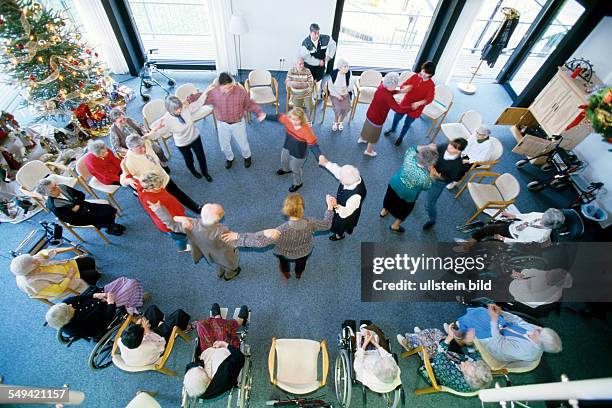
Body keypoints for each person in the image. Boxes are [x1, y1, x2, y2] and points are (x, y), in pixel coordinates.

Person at [222, 193, 334, 280]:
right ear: (302, 209)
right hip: (305, 251)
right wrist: (329, 207)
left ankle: (286, 272)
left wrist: (238, 236)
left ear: (286, 211)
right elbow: (327, 224)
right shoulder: (311, 223)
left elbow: (258, 242)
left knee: (284, 263)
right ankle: (298, 274)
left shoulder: (279, 231)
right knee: (301, 264)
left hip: (285, 253)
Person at [151, 202, 241, 280]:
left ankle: (220, 273)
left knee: (218, 262)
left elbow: (172, 225)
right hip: (223, 253)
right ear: (218, 219)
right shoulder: (222, 230)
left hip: (208, 252)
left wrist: (159, 210)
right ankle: (229, 275)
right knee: (231, 265)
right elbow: (232, 241)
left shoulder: (192, 226)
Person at [454, 304, 562, 363]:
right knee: (481, 310)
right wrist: (501, 313)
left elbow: (498, 343)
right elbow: (517, 320)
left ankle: (459, 332)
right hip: (502, 328)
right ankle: (461, 326)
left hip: (495, 344)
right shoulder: (536, 331)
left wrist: (494, 320)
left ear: (539, 343)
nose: (538, 328)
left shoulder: (527, 351)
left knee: (473, 322)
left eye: (539, 332)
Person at [120, 135, 200, 213]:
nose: (144, 149)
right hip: (155, 188)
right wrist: (128, 180)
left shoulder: (146, 143)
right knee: (168, 206)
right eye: (140, 148)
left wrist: (150, 133)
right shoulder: (129, 161)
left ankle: (197, 208)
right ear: (131, 149)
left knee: (179, 194)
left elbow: (151, 136)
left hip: (164, 177)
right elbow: (122, 181)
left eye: (143, 145)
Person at [396, 327, 492, 393]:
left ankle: (410, 343)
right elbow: (475, 355)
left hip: (437, 365)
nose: (464, 362)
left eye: (464, 366)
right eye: (469, 362)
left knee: (430, 344)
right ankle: (421, 336)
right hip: (451, 359)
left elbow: (439, 356)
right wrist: (470, 343)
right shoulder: (478, 370)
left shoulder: (453, 375)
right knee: (437, 333)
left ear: (466, 377)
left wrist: (449, 338)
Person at [183, 303, 248, 399]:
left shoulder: (194, 382)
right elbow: (240, 358)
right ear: (208, 381)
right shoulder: (224, 376)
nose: (200, 367)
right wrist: (224, 344)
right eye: (202, 369)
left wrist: (200, 364)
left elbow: (189, 366)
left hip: (208, 350)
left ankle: (217, 318)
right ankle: (238, 322)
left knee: (200, 325)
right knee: (221, 329)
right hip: (226, 350)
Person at [202, 72, 265, 169]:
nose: (230, 89)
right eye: (226, 88)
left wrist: (259, 112)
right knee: (224, 145)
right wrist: (188, 100)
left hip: (238, 123)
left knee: (243, 144)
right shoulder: (214, 92)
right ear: (220, 86)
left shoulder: (240, 91)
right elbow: (200, 98)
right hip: (222, 124)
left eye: (231, 86)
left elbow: (249, 104)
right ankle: (229, 158)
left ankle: (247, 157)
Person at [45, 277, 145, 337]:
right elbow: (106, 320)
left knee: (122, 280)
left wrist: (94, 295)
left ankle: (133, 297)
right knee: (133, 283)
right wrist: (111, 303)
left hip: (99, 297)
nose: (70, 305)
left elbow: (75, 298)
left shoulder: (64, 307)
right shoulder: (81, 326)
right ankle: (136, 300)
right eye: (69, 308)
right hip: (110, 308)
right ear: (69, 316)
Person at [151, 94, 212, 181]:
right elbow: (155, 134)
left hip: (194, 137)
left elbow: (198, 103)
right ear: (170, 110)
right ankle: (193, 171)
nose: (180, 110)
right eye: (176, 109)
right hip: (182, 143)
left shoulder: (184, 108)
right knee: (189, 159)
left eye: (180, 107)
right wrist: (153, 130)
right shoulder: (166, 120)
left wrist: (207, 91)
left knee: (201, 156)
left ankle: (205, 172)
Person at [380, 145, 438, 233]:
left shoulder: (409, 157)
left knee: (389, 198)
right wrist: (432, 175)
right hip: (408, 195)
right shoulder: (425, 176)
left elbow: (413, 148)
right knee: (405, 210)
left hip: (394, 184)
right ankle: (395, 226)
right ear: (429, 163)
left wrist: (427, 146)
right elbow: (427, 187)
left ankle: (384, 211)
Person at [36, 179, 125, 236]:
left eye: (55, 185)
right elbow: (68, 219)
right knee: (101, 217)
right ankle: (110, 227)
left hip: (84, 205)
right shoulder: (54, 205)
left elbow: (80, 194)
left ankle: (110, 225)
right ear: (47, 194)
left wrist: (77, 205)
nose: (57, 188)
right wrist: (74, 209)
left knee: (108, 209)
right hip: (78, 217)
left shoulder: (62, 187)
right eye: (53, 189)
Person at [10, 247, 100, 301]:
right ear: (30, 268)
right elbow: (57, 290)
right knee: (93, 275)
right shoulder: (32, 283)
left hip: (65, 268)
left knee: (89, 261)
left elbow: (46, 253)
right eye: (33, 261)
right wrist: (69, 276)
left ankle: (90, 280)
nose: (35, 259)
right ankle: (91, 287)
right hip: (63, 282)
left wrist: (70, 248)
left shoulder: (31, 261)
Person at [267, 108, 323, 192]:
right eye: (292, 119)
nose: (293, 122)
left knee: (295, 168)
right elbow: (277, 117)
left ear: (302, 119)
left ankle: (298, 183)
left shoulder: (307, 131)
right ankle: (286, 170)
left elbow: (314, 146)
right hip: (287, 146)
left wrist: (320, 158)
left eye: (297, 120)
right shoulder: (288, 120)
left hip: (299, 153)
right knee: (284, 160)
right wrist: (264, 116)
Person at [118, 305, 191, 367]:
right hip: (157, 345)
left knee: (152, 309)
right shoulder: (149, 347)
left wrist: (138, 324)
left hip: (140, 347)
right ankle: (184, 328)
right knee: (179, 313)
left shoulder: (121, 340)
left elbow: (133, 334)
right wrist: (147, 330)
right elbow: (162, 343)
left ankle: (162, 322)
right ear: (142, 337)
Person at [383, 61, 436, 146]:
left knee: (407, 123)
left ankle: (401, 137)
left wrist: (419, 103)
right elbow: (403, 85)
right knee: (396, 117)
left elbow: (430, 98)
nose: (424, 74)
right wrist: (404, 88)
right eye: (423, 71)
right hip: (405, 103)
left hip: (416, 108)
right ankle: (392, 129)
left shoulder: (431, 85)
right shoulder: (415, 76)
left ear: (431, 74)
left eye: (427, 73)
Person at [358, 72, 409, 157]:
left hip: (370, 114)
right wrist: (410, 107)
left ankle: (362, 138)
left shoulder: (382, 86)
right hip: (378, 119)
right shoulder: (389, 98)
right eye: (395, 85)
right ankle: (369, 151)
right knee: (374, 136)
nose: (396, 86)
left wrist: (400, 91)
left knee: (367, 126)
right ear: (393, 85)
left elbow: (389, 91)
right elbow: (399, 109)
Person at [136, 173, 189, 252]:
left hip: (173, 214)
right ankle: (183, 248)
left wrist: (126, 174)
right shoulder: (153, 201)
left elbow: (132, 179)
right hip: (172, 223)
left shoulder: (141, 187)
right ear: (150, 188)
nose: (161, 187)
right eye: (158, 186)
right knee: (181, 238)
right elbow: (168, 220)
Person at [423, 139, 468, 231]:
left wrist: (436, 175)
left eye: (453, 147)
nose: (449, 147)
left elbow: (448, 179)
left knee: (429, 204)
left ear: (459, 151)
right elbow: (432, 155)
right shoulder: (444, 146)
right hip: (428, 172)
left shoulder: (457, 165)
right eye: (451, 144)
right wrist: (431, 168)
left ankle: (432, 220)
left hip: (438, 182)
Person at [319, 155, 366, 241]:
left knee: (341, 225)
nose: (339, 180)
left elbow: (346, 212)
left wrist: (335, 205)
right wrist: (326, 163)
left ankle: (339, 235)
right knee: (336, 219)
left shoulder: (356, 196)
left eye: (341, 181)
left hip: (346, 214)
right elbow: (337, 170)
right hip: (342, 203)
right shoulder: (351, 175)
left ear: (348, 183)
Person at [467, 208, 566, 244]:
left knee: (488, 244)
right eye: (543, 217)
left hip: (513, 237)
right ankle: (468, 245)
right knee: (487, 229)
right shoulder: (542, 215)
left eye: (543, 222)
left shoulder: (541, 236)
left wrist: (504, 239)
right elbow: (528, 215)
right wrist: (514, 215)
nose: (540, 220)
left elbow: (521, 243)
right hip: (512, 227)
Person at [353, 324, 402, 393]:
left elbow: (357, 363)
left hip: (366, 357)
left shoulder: (366, 376)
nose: (382, 358)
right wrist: (375, 343)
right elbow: (387, 356)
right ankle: (367, 330)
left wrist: (364, 345)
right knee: (380, 339)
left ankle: (363, 330)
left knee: (358, 348)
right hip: (385, 386)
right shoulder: (395, 370)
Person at [447, 125, 493, 190]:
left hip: (476, 160)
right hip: (467, 154)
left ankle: (454, 183)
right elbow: (467, 144)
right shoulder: (475, 135)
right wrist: (462, 154)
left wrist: (468, 161)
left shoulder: (488, 145)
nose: (476, 135)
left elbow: (483, 159)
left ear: (485, 136)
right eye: (476, 132)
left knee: (461, 168)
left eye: (479, 134)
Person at [327, 58, 354, 131]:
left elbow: (351, 85)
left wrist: (346, 92)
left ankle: (341, 122)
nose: (347, 68)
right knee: (338, 109)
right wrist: (338, 95)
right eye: (345, 66)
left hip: (345, 94)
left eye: (347, 66)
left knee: (346, 108)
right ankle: (335, 122)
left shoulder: (349, 73)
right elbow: (330, 87)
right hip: (335, 94)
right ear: (340, 68)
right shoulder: (334, 73)